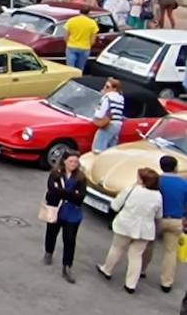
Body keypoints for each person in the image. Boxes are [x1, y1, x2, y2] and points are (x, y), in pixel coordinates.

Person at [97, 168, 164, 293]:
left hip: (125, 225)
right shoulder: (158, 195)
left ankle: (107, 269)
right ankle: (131, 284)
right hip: (145, 229)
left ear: (142, 180)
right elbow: (158, 215)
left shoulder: (131, 189)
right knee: (136, 255)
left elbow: (115, 205)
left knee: (117, 248)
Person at [43, 152, 86, 284]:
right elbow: (51, 192)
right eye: (71, 161)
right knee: (51, 233)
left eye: (76, 162)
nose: (73, 164)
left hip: (72, 213)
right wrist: (71, 193)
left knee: (70, 240)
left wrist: (63, 192)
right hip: (56, 209)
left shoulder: (80, 177)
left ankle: (67, 266)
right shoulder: (55, 174)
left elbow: (80, 198)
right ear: (65, 161)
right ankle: (48, 252)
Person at [147, 156, 187, 293]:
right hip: (175, 220)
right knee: (170, 252)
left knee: (148, 245)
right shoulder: (183, 184)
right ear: (175, 167)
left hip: (156, 219)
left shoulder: (157, 181)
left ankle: (141, 271)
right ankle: (166, 282)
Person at [91, 78, 125, 153]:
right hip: (118, 125)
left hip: (108, 124)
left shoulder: (107, 97)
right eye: (105, 86)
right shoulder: (121, 98)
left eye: (107, 87)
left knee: (98, 148)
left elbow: (100, 114)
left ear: (115, 89)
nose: (104, 88)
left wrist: (96, 110)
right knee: (111, 149)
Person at [64, 6, 98, 72]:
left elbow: (65, 36)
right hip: (85, 48)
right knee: (80, 68)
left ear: (79, 12)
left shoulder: (71, 21)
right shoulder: (92, 23)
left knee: (69, 68)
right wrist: (88, 45)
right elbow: (93, 40)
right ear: (89, 13)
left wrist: (68, 43)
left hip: (71, 46)